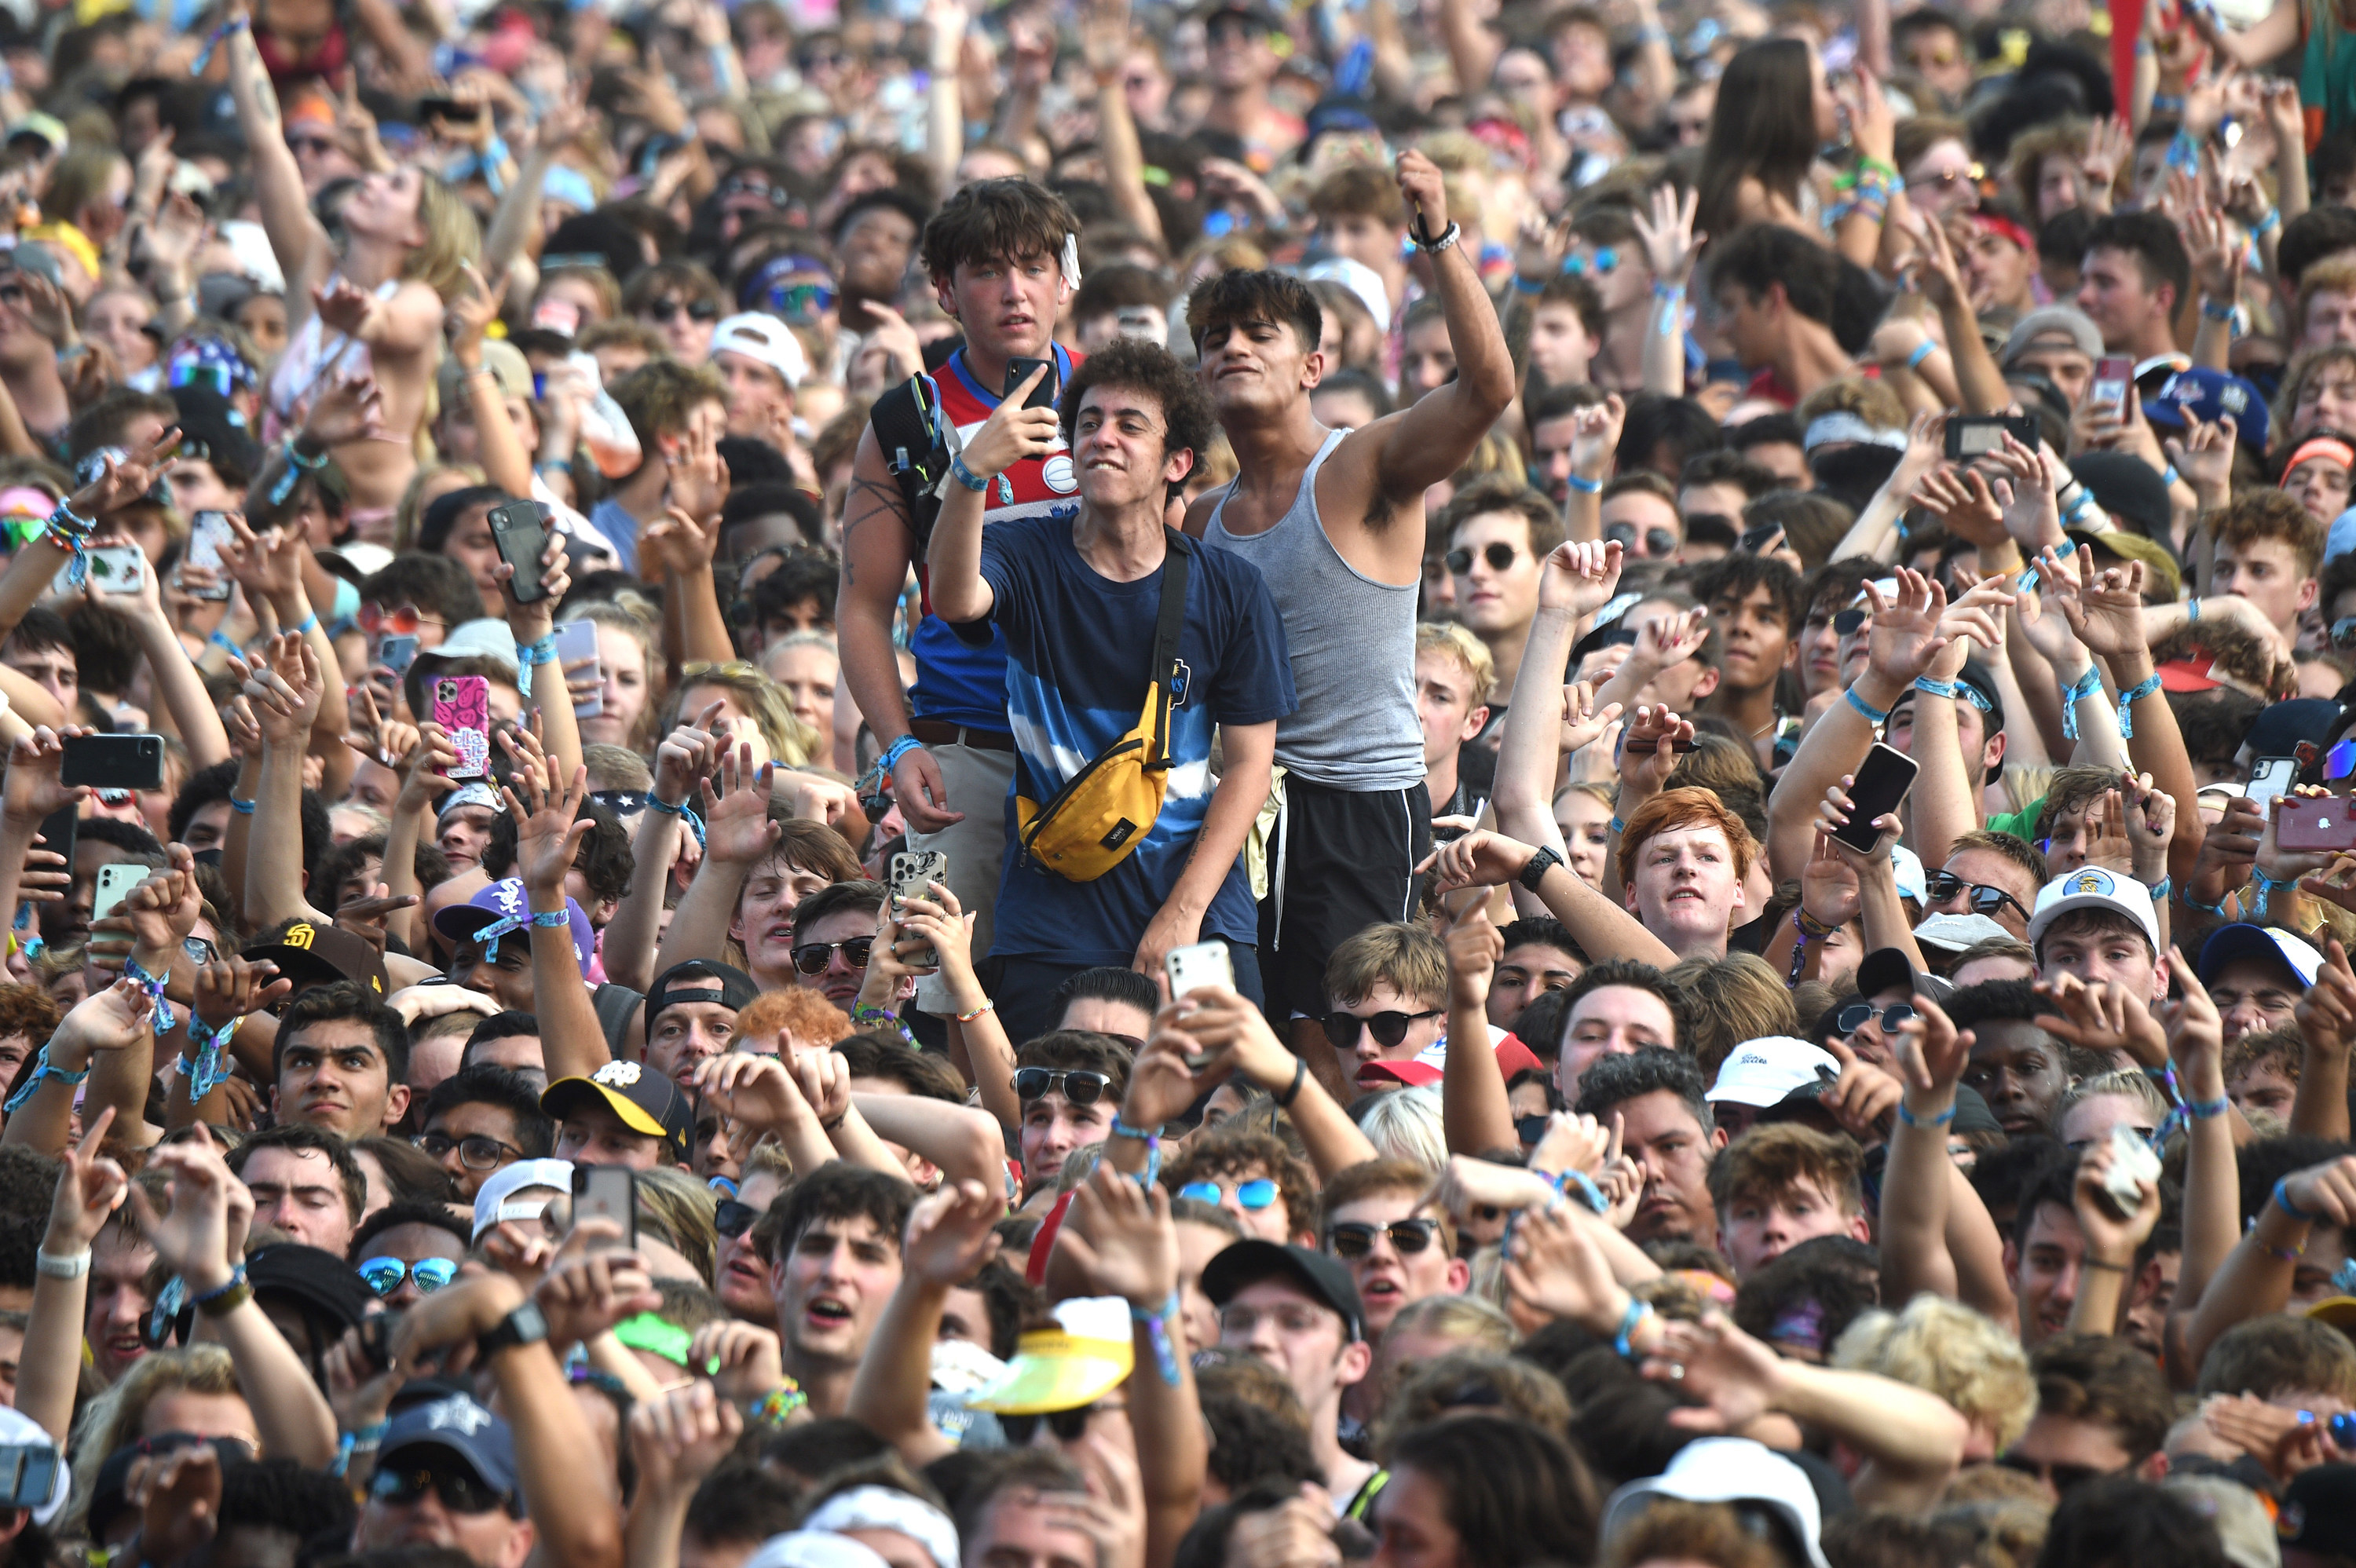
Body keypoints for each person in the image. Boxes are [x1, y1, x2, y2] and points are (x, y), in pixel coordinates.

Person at [1187, 149, 1515, 1101]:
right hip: (1245, 811)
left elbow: (1488, 389)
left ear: (1313, 365)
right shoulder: (1200, 517)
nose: (1233, 347)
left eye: (1258, 332)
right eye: (1213, 338)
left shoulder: (1362, 464)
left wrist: (1439, 237)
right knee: (1267, 1043)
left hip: (1360, 806)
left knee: (1365, 1039)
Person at [924, 337, 1291, 1031]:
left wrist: (1182, 915)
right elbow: (954, 598)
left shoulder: (1231, 589)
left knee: (1220, 1110)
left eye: (1130, 426)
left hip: (1196, 906)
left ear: (1177, 462)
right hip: (1052, 915)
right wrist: (969, 474)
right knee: (1050, 1104)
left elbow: (1249, 767)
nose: (1102, 439)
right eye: (1088, 423)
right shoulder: (1024, 551)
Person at [836, 180, 1088, 1034]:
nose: (1015, 290)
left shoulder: (1115, 402)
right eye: (987, 271)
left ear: (1067, 278)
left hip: (1105, 749)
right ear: (944, 290)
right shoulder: (908, 419)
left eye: (1034, 266)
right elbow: (864, 608)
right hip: (962, 753)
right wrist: (900, 739)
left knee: (1100, 996)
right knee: (930, 996)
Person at [1203, 1239, 1381, 1516]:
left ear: (1353, 1362)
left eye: (1295, 1322)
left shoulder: (1391, 1507)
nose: (1258, 1339)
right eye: (1239, 1321)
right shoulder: (1185, 1495)